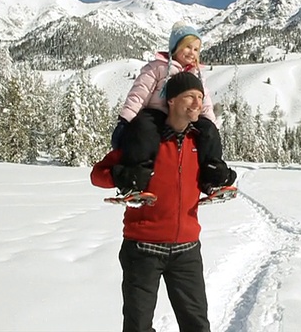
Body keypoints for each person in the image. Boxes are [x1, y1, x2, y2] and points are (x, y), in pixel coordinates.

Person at [91, 72, 237, 332]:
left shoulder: (199, 143)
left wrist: (222, 176)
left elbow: (213, 176)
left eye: (200, 97)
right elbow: (97, 175)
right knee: (137, 327)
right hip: (143, 249)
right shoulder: (146, 140)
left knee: (197, 326)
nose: (196, 104)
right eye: (190, 96)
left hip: (187, 251)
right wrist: (123, 175)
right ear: (170, 101)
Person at [111, 21, 220, 195]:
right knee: (144, 126)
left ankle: (213, 178)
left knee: (207, 129)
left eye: (196, 49)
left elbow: (204, 102)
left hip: (185, 118)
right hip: (157, 114)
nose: (192, 53)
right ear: (175, 47)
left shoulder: (197, 74)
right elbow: (139, 94)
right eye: (187, 47)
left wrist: (211, 125)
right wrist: (125, 121)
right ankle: (135, 180)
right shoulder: (158, 68)